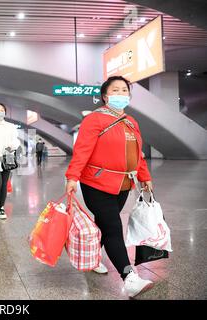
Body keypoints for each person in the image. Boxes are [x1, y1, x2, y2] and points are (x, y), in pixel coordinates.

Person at [65, 75, 154, 298]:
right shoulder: (94, 120)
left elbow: (138, 155)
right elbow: (82, 150)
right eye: (115, 90)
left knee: (105, 224)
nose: (121, 94)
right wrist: (72, 176)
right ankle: (129, 277)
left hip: (124, 183)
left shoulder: (132, 122)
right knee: (113, 227)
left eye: (125, 90)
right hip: (96, 182)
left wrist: (145, 177)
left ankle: (92, 258)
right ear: (105, 96)